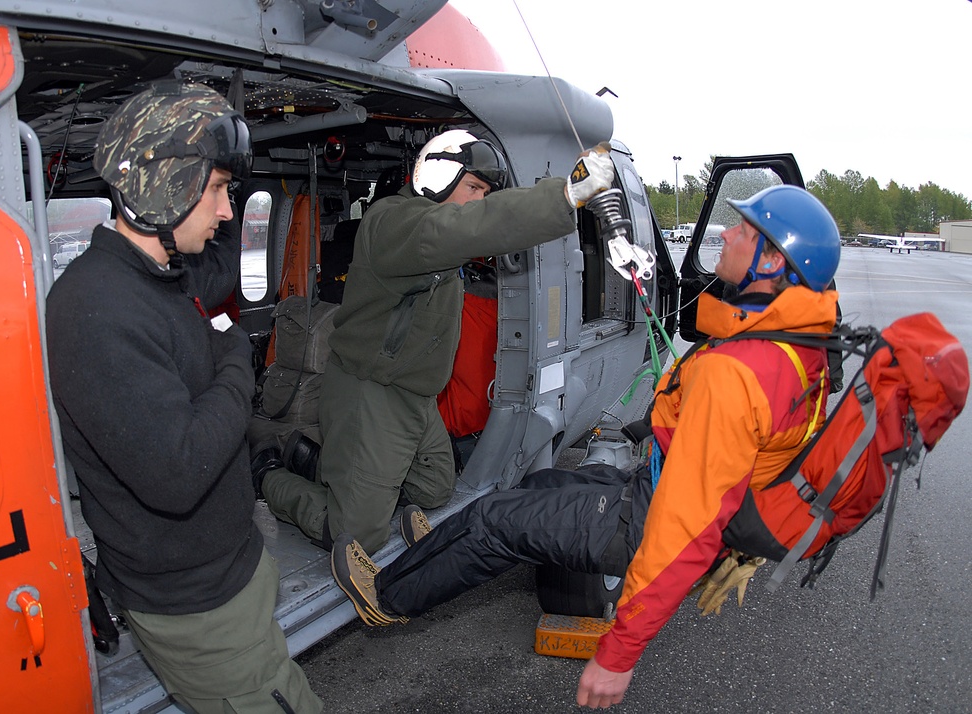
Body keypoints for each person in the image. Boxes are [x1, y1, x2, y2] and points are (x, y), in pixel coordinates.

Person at [328, 184, 842, 708]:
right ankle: (431, 557)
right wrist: (655, 429)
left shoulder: (741, 372)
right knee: (537, 487)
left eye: (745, 231)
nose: (728, 234)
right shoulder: (797, 338)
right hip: (659, 483)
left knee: (495, 521)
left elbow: (686, 526)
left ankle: (385, 598)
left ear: (773, 261)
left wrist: (620, 654)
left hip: (654, 512)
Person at [47, 82, 322, 714]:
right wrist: (238, 364)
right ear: (166, 187)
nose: (228, 211)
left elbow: (215, 277)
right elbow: (178, 472)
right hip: (200, 606)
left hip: (226, 567)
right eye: (220, 188)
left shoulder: (157, 276)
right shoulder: (97, 309)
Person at [255, 129, 617, 553]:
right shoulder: (397, 222)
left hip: (415, 396)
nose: (479, 199)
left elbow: (466, 228)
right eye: (473, 187)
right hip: (372, 394)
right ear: (439, 176)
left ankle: (329, 465)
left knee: (433, 491)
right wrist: (564, 196)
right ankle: (269, 472)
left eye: (485, 191)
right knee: (354, 536)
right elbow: (464, 227)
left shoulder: (435, 233)